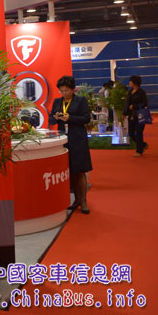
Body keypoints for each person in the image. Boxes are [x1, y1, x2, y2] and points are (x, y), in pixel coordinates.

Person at [50, 76, 93, 215]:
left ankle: (84, 201)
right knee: (71, 171)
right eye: (61, 91)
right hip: (64, 139)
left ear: (73, 89)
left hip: (78, 139)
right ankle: (77, 200)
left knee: (80, 170)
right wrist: (55, 117)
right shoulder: (57, 102)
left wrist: (70, 118)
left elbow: (86, 118)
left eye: (67, 90)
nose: (64, 93)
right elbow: (51, 119)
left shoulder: (80, 100)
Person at [124, 75, 149, 156]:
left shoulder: (141, 92)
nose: (129, 83)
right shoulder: (129, 92)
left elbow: (145, 104)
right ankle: (142, 144)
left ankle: (139, 150)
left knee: (139, 132)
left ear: (135, 83)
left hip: (139, 115)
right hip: (131, 115)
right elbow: (127, 103)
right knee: (130, 133)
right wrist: (124, 113)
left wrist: (135, 106)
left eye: (130, 81)